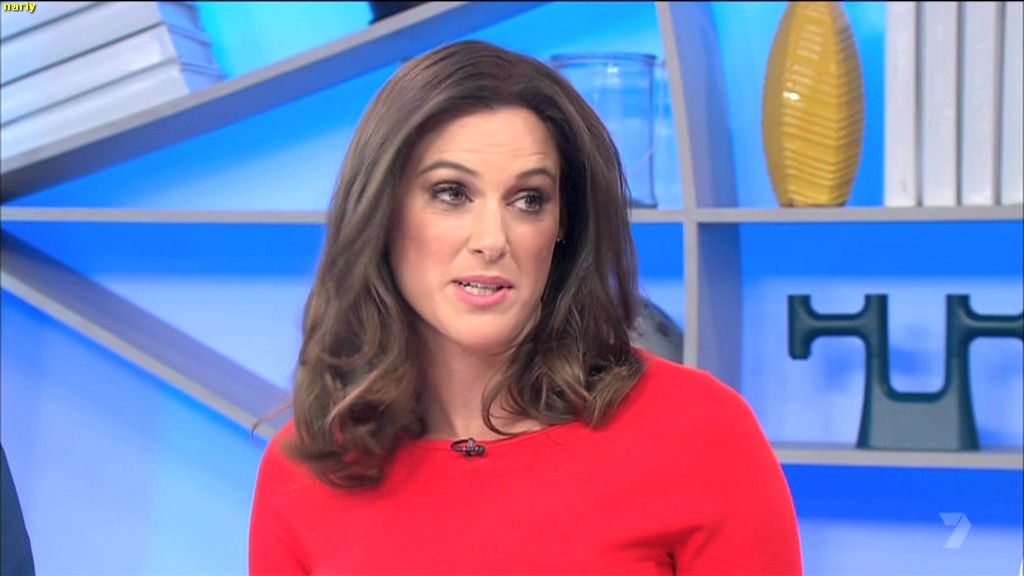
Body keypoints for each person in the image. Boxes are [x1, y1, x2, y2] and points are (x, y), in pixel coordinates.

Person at [249, 40, 802, 575]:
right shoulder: (304, 469)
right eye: (451, 193)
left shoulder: (700, 431)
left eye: (528, 200)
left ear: (562, 225)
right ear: (383, 210)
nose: (493, 240)